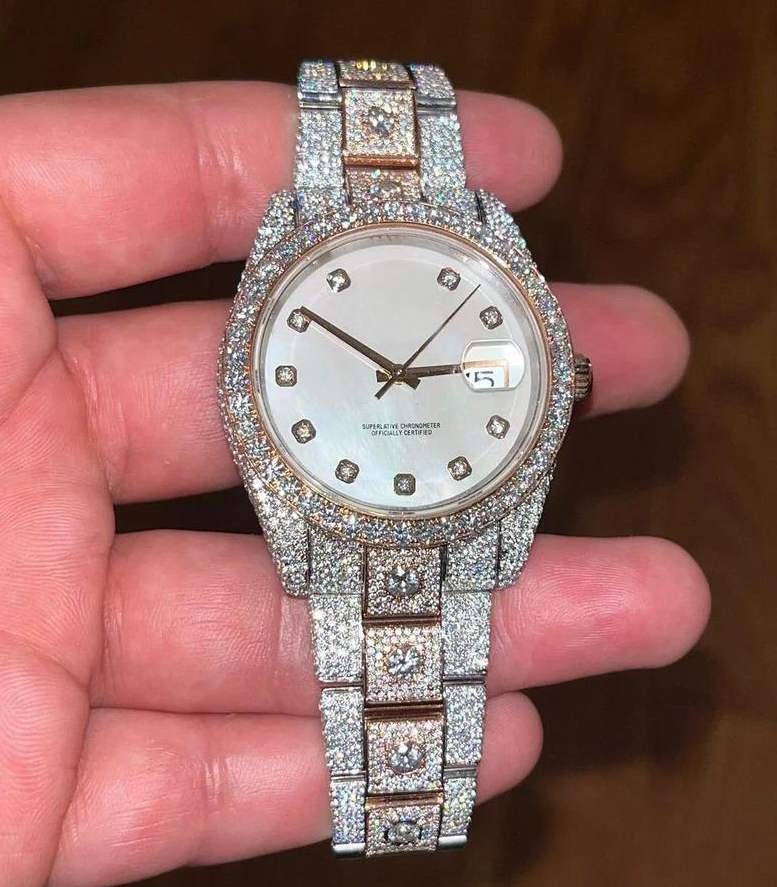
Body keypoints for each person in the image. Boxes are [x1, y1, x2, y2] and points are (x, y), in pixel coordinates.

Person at [0, 80, 709, 887]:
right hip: (336, 515)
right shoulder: (373, 261)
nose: (398, 377)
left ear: (563, 383)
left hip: (451, 513)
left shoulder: (481, 242)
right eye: (390, 370)